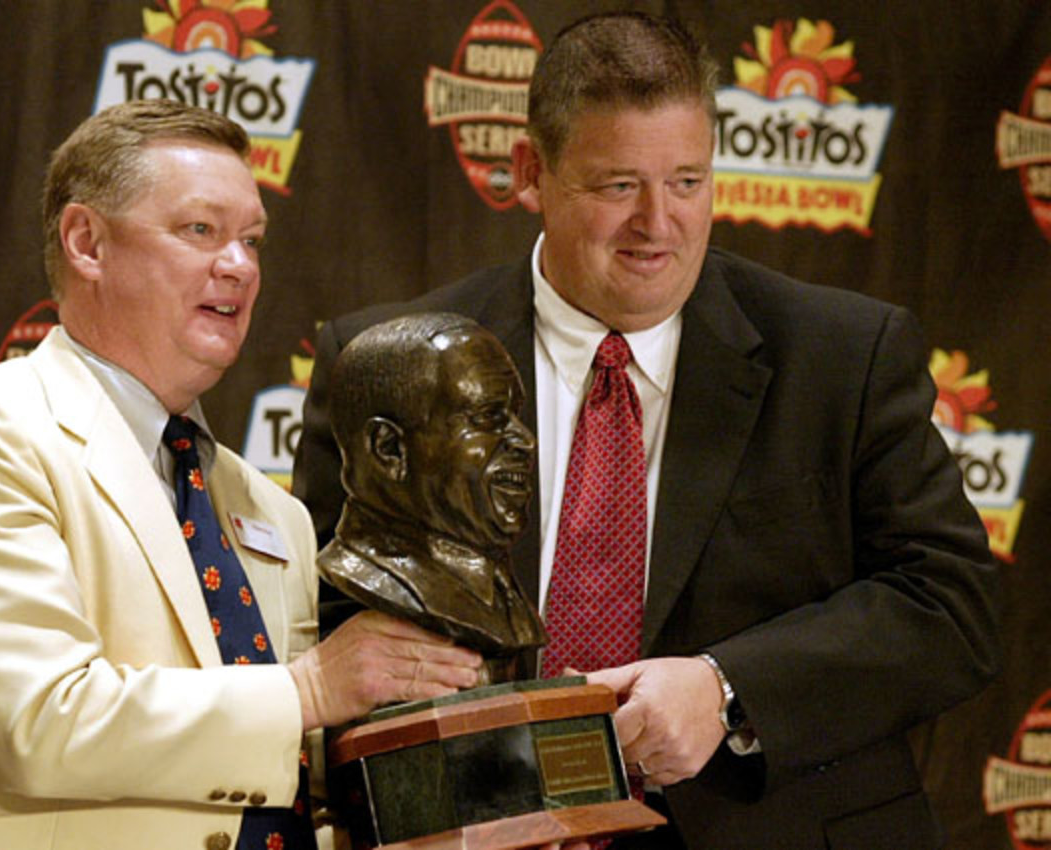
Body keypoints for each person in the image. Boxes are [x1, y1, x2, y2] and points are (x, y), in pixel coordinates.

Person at [292, 12, 1001, 850]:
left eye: (688, 182)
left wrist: (727, 688)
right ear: (531, 172)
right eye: (618, 185)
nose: (658, 225)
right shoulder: (391, 361)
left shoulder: (844, 354)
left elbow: (949, 602)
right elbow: (331, 623)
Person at [0, 99, 483, 850]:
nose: (240, 265)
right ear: (87, 242)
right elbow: (44, 721)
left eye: (252, 239)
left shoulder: (266, 508)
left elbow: (290, 776)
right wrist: (311, 687)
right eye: (200, 230)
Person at [318, 312, 545, 683]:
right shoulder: (369, 580)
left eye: (514, 413)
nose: (524, 440)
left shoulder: (498, 591)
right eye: (488, 417)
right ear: (389, 449)